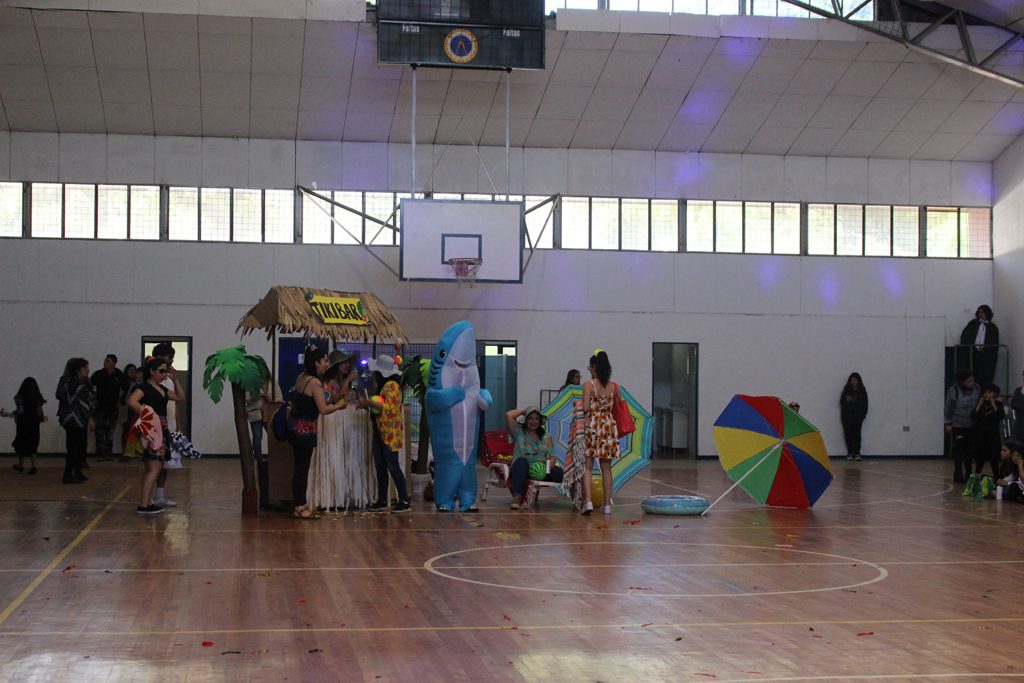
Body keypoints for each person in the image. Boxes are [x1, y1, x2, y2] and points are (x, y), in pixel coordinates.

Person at [289, 348, 344, 519]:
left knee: (299, 467)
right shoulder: (315, 383)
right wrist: (338, 406)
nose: (327, 364)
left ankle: (299, 504)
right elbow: (323, 409)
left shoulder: (301, 377)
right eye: (325, 361)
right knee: (302, 468)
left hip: (294, 426)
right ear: (316, 363)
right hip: (305, 430)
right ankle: (300, 506)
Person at [126, 357, 173, 515]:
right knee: (154, 467)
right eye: (161, 371)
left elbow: (180, 397)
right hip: (153, 430)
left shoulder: (161, 388)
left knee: (154, 467)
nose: (164, 374)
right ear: (152, 371)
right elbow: (132, 401)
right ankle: (143, 505)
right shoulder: (144, 387)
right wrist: (149, 415)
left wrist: (175, 379)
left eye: (166, 371)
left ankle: (147, 502)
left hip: (160, 429)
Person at [367, 355, 411, 513]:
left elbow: (390, 409)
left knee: (392, 466)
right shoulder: (386, 385)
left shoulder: (391, 386)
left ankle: (404, 499)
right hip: (381, 430)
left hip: (389, 434)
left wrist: (370, 403)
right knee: (380, 466)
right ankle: (382, 499)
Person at [582, 350, 618, 515]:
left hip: (593, 425)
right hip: (609, 426)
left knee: (588, 467)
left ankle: (589, 502)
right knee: (607, 469)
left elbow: (586, 408)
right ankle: (607, 505)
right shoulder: (614, 386)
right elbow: (617, 406)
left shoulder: (588, 384)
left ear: (594, 367)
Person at [504, 406, 562, 510]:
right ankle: (517, 497)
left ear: (540, 421)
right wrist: (524, 411)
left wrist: (546, 469)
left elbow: (552, 457)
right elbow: (509, 415)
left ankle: (578, 499)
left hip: (540, 471)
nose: (533, 422)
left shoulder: (545, 436)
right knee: (522, 462)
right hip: (521, 470)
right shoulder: (518, 431)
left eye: (536, 419)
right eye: (530, 418)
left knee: (559, 472)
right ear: (525, 420)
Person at [151, 342, 184, 507]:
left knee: (165, 464)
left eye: (172, 357)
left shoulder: (170, 378)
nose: (171, 360)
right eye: (169, 357)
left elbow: (176, 401)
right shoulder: (152, 380)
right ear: (158, 357)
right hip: (156, 427)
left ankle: (159, 496)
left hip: (169, 425)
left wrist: (178, 423)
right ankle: (147, 498)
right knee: (154, 465)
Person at [55, 358, 96, 484]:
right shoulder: (77, 384)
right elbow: (86, 402)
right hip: (76, 418)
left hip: (72, 418)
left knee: (76, 446)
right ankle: (68, 474)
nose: (88, 370)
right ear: (79, 369)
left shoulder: (70, 382)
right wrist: (90, 418)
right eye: (86, 367)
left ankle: (76, 472)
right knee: (74, 447)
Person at [1, 377, 46, 475]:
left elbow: (20, 411)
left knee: (20, 443)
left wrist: (9, 414)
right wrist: (41, 418)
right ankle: (33, 466)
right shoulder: (38, 396)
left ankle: (20, 465)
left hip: (23, 423)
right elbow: (39, 411)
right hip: (34, 423)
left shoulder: (20, 397)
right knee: (33, 444)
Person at [944, 369, 980, 483]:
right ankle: (958, 473)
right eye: (969, 381)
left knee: (969, 452)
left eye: (972, 380)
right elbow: (949, 408)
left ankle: (968, 473)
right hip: (958, 425)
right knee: (959, 450)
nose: (972, 383)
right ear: (962, 382)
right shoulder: (954, 391)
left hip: (971, 424)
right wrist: (948, 423)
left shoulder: (977, 388)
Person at [91, 354, 126, 462]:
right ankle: (100, 454)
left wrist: (121, 401)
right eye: (105, 360)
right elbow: (90, 388)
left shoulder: (119, 375)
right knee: (99, 431)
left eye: (108, 361)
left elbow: (126, 388)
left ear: (114, 363)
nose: (105, 362)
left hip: (113, 408)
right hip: (99, 407)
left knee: (110, 432)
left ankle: (108, 453)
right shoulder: (98, 374)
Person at [959, 305, 999, 386]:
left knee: (984, 374)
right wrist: (974, 347)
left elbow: (994, 342)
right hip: (973, 353)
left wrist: (985, 348)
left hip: (985, 355)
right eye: (979, 312)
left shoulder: (992, 327)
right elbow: (966, 336)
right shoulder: (973, 323)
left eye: (983, 312)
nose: (981, 314)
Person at [971, 383, 1004, 478]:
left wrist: (993, 404)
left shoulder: (998, 404)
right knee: (980, 459)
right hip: (981, 436)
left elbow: (1001, 416)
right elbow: (973, 415)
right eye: (985, 392)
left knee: (994, 459)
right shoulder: (981, 404)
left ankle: (996, 478)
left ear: (995, 393)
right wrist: (979, 405)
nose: (987, 395)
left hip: (993, 436)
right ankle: (976, 478)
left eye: (989, 392)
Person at [839, 372, 868, 461]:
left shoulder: (862, 390)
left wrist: (863, 415)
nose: (853, 382)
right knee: (848, 434)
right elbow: (841, 402)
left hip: (858, 416)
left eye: (855, 380)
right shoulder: (846, 389)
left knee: (857, 435)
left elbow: (865, 403)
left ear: (858, 381)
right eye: (852, 380)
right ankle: (850, 453)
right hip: (847, 416)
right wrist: (847, 401)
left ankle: (857, 453)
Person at [1010, 369, 1024, 445]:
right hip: (1019, 428)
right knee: (1017, 450)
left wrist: (1019, 405)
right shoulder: (1018, 390)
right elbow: (1013, 404)